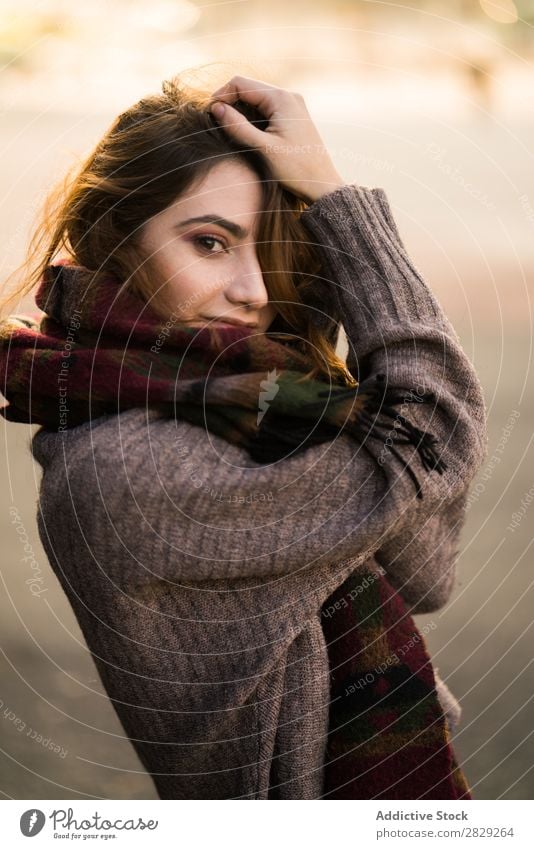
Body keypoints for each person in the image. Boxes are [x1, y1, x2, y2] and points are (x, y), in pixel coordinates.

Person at [0, 72, 488, 799]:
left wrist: (312, 276)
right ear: (112, 242)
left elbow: (424, 565)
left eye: (269, 254)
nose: (254, 291)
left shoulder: (256, 408)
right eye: (209, 242)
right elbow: (433, 433)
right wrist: (330, 195)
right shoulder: (128, 467)